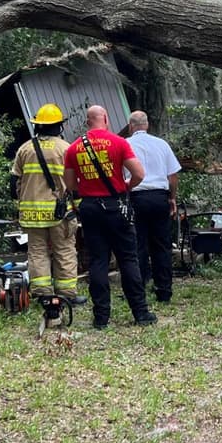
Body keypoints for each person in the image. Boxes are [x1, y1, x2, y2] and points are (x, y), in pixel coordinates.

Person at [63, 105, 158, 329]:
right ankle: (140, 312)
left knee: (98, 261)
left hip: (90, 208)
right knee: (128, 259)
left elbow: (69, 184)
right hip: (116, 207)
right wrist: (125, 187)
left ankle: (101, 317)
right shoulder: (119, 142)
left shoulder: (74, 148)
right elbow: (139, 174)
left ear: (87, 122)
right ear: (105, 118)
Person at [10, 103, 85, 308]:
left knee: (37, 252)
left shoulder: (25, 149)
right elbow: (75, 182)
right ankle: (67, 294)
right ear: (59, 126)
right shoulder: (66, 148)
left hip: (31, 214)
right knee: (65, 252)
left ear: (38, 126)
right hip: (59, 213)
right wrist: (78, 205)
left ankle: (43, 295)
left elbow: (13, 183)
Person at [125, 110, 181, 304]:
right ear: (147, 125)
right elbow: (173, 175)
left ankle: (138, 290)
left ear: (131, 126)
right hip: (159, 197)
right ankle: (164, 290)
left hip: (136, 197)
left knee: (137, 245)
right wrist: (172, 198)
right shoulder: (162, 144)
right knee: (161, 245)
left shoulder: (126, 144)